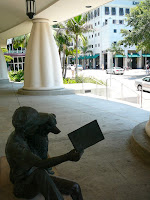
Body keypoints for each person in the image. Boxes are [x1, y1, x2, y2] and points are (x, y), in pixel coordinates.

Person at [5, 106, 84, 200]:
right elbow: (41, 164)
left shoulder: (22, 132)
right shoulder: (16, 146)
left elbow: (44, 117)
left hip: (34, 174)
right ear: (27, 128)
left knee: (75, 187)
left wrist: (48, 116)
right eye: (35, 125)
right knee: (40, 173)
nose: (37, 127)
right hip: (23, 185)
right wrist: (68, 157)